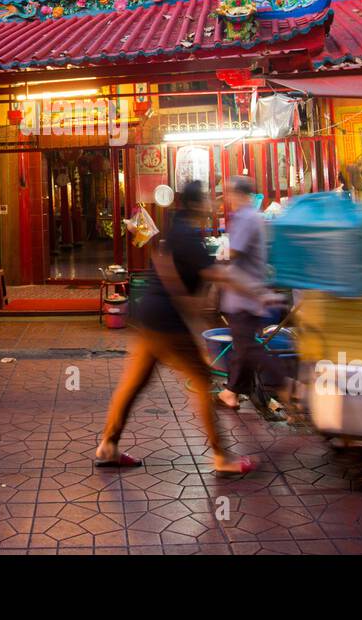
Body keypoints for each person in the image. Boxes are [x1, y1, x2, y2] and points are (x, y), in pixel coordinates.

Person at [95, 181, 274, 477]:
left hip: (149, 318)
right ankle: (221, 456)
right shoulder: (189, 237)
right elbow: (219, 275)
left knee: (133, 383)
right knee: (203, 382)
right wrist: (258, 293)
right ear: (196, 204)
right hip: (167, 323)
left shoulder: (175, 229)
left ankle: (108, 446)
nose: (212, 205)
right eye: (206, 200)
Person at [216, 176, 292, 413]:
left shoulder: (246, 219)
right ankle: (232, 391)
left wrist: (216, 261)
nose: (227, 198)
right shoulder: (251, 217)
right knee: (243, 343)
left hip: (243, 294)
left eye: (229, 193)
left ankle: (284, 383)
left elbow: (235, 252)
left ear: (240, 194)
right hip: (247, 292)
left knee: (247, 345)